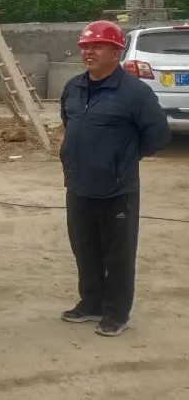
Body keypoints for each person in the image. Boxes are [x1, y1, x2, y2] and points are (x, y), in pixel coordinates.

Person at [58, 20, 170, 337]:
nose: (88, 52)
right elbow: (69, 123)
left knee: (118, 255)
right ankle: (91, 303)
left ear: (116, 52)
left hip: (117, 191)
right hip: (79, 185)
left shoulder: (134, 93)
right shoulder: (73, 88)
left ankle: (116, 313)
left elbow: (158, 135)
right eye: (85, 47)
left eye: (97, 46)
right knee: (85, 249)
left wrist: (122, 160)